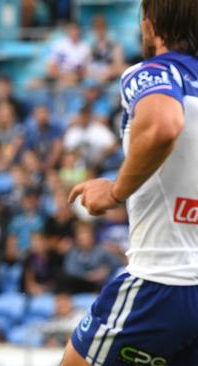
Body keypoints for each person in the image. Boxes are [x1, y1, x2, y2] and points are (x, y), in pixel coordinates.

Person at [62, 1, 198, 364]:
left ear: (152, 27)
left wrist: (115, 191)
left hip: (163, 282)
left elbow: (163, 125)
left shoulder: (153, 71)